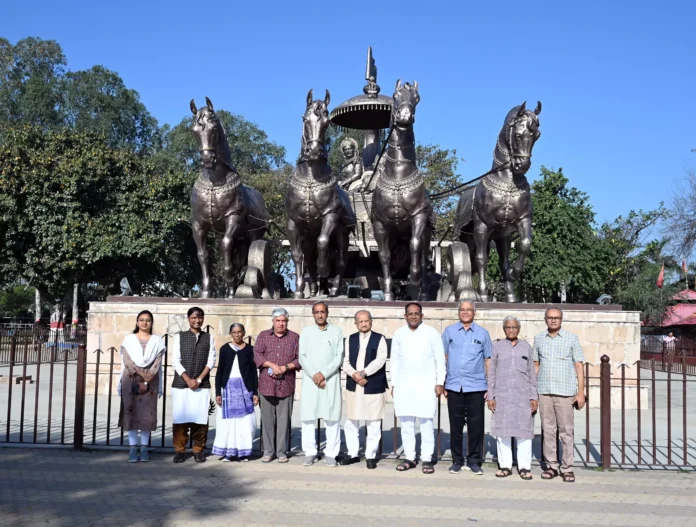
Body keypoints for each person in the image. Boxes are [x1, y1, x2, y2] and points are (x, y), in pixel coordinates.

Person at [391, 302, 446, 474]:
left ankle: (427, 459)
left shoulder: (431, 333)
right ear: (405, 316)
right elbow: (394, 361)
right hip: (404, 385)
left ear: (422, 315)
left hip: (426, 385)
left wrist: (440, 382)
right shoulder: (399, 334)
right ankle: (409, 457)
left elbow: (440, 359)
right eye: (410, 314)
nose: (413, 316)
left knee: (426, 423)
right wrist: (394, 383)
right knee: (406, 423)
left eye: (417, 313)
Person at [534, 307, 585, 483]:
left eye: (556, 317)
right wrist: (533, 391)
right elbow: (536, 365)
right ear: (545, 319)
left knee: (566, 431)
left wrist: (581, 393)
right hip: (545, 391)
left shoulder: (571, 338)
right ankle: (551, 466)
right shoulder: (539, 339)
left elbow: (579, 365)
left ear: (562, 319)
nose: (553, 320)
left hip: (565, 392)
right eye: (550, 317)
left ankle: (567, 468)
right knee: (548, 431)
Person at [442, 300, 492, 475]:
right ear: (458, 312)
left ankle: (474, 461)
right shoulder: (449, 332)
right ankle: (457, 460)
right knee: (455, 427)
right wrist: (443, 382)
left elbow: (488, 360)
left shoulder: (483, 333)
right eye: (462, 310)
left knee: (476, 427)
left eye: (468, 310)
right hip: (454, 386)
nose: (465, 312)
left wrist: (489, 387)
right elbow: (444, 357)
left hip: (476, 387)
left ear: (474, 312)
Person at [487, 316, 538, 480]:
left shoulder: (526, 348)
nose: (511, 330)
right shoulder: (497, 347)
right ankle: (505, 466)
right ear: (504, 329)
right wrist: (491, 395)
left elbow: (532, 374)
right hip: (502, 396)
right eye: (508, 327)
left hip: (523, 396)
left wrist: (533, 396)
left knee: (524, 432)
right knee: (503, 433)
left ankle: (524, 467)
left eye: (514, 327)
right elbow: (492, 373)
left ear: (519, 329)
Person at [340, 310, 388, 469]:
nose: (363, 324)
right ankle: (353, 453)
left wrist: (364, 373)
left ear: (371, 322)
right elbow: (344, 361)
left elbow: (380, 360)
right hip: (354, 385)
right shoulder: (350, 339)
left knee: (373, 422)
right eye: (360, 321)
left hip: (372, 384)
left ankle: (371, 455)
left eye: (366, 321)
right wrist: (355, 374)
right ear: (356, 323)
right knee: (352, 421)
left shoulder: (379, 338)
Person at [299, 301, 344, 467]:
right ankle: (310, 452)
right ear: (313, 314)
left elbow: (339, 357)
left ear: (327, 313)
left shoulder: (336, 332)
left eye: (322, 312)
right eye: (316, 312)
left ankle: (331, 453)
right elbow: (302, 356)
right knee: (308, 417)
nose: (320, 315)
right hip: (311, 380)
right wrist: (315, 374)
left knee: (332, 417)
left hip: (330, 379)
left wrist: (323, 374)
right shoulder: (306, 332)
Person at [117, 310, 166, 463]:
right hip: (130, 379)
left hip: (151, 381)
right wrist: (141, 376)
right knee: (130, 413)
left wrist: (147, 379)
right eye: (142, 320)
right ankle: (133, 448)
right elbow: (128, 361)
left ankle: (144, 448)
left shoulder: (157, 341)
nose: (145, 323)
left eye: (148, 320)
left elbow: (157, 362)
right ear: (137, 322)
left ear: (152, 323)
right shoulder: (129, 340)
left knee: (147, 415)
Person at [253, 307, 300, 463]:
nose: (281, 324)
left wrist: (284, 368)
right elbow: (257, 354)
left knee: (283, 420)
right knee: (267, 420)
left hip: (286, 385)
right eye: (278, 321)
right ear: (272, 321)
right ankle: (268, 451)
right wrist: (272, 365)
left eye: (283, 321)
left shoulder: (294, 337)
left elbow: (300, 359)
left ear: (287, 321)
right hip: (266, 385)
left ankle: (281, 451)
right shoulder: (263, 336)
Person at [171, 307, 216, 464]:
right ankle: (180, 450)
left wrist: (198, 379)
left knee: (200, 418)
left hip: (201, 384)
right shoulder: (180, 337)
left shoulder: (208, 338)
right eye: (194, 317)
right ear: (188, 318)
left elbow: (211, 360)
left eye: (200, 317)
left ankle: (198, 450)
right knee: (180, 418)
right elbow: (175, 360)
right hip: (181, 384)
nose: (197, 320)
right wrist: (187, 379)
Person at [213, 323, 258, 462]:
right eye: (234, 332)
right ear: (230, 333)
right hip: (228, 389)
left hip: (245, 388)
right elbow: (220, 371)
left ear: (244, 332)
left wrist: (255, 392)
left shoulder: (250, 349)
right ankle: (229, 452)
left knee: (244, 422)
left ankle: (243, 452)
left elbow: (253, 372)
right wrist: (218, 393)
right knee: (229, 423)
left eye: (239, 332)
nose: (237, 334)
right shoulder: (226, 349)